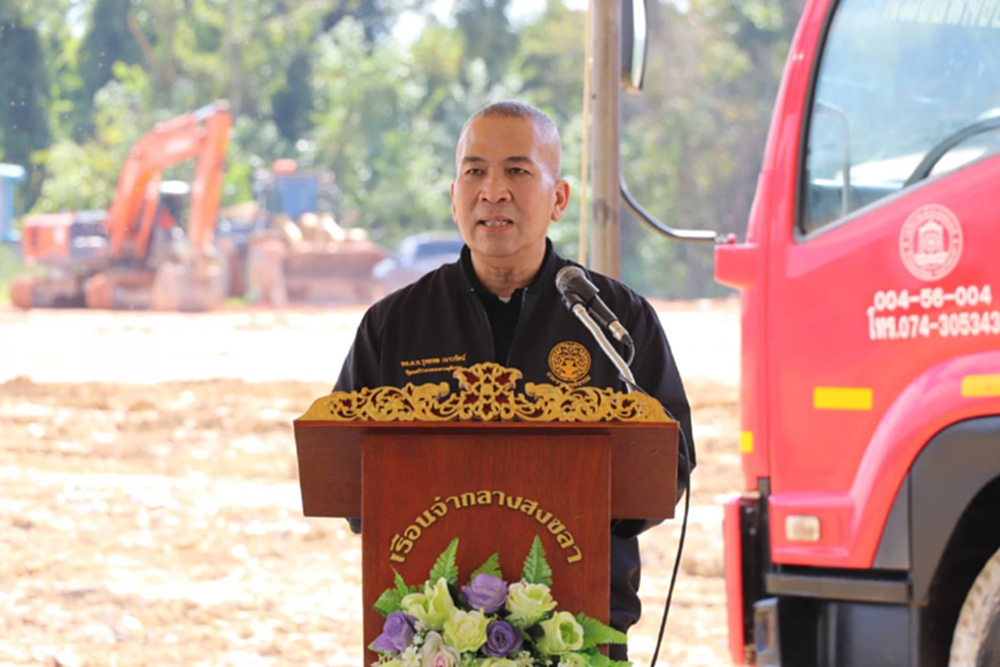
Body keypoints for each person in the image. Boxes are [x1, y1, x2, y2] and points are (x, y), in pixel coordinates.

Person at [335, 100, 695, 659]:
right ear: (454, 195)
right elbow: (348, 479)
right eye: (475, 171)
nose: (493, 191)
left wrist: (572, 510)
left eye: (517, 171)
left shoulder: (613, 320)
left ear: (559, 199)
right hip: (430, 640)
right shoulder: (397, 324)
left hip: (575, 632)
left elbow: (669, 464)